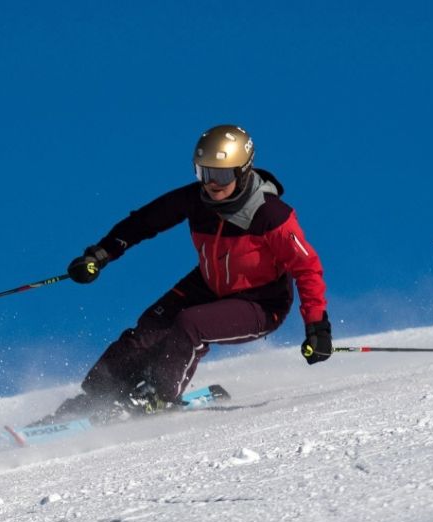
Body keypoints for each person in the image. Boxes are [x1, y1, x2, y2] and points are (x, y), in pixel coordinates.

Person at [43, 124, 331, 423]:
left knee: (190, 325)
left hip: (260, 302)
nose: (211, 184)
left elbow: (306, 266)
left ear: (243, 172)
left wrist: (317, 328)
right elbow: (144, 221)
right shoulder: (197, 199)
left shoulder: (270, 214)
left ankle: (158, 396)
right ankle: (97, 397)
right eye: (204, 173)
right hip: (209, 283)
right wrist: (100, 255)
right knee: (149, 328)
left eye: (221, 175)